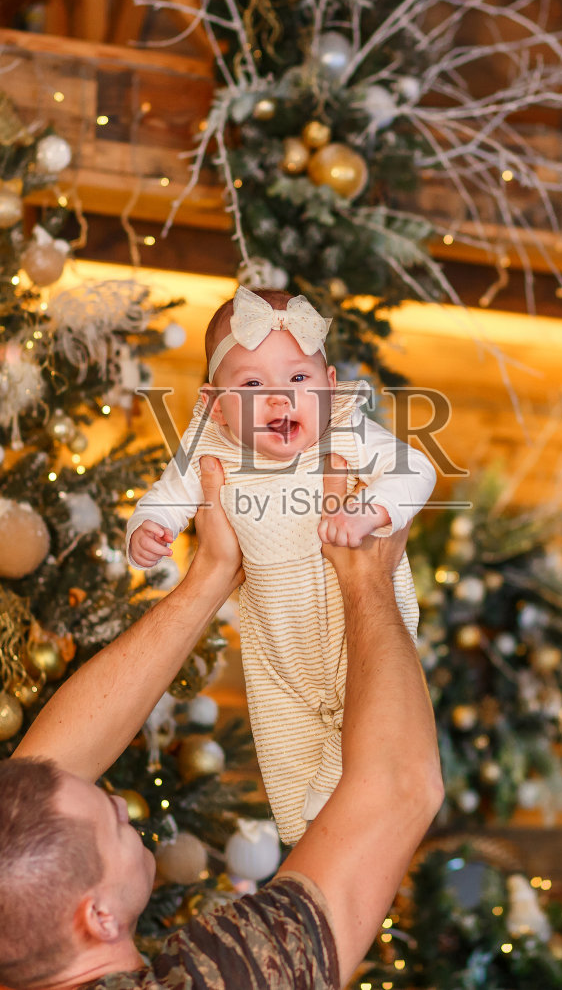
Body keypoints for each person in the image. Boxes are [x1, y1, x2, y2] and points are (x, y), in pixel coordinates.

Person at [0, 453, 444, 990]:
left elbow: (28, 798)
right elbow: (399, 787)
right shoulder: (217, 979)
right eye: (113, 824)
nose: (119, 803)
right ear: (98, 918)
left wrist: (210, 576)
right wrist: (368, 580)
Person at [124, 286, 436, 842]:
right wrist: (148, 530)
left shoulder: (344, 429)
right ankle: (302, 835)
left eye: (298, 379)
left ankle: (334, 822)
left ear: (330, 385)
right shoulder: (209, 448)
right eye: (252, 385)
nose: (279, 400)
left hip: (356, 626)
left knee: (362, 730)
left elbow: (416, 469)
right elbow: (164, 498)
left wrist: (370, 511)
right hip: (275, 644)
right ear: (214, 404)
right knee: (288, 774)